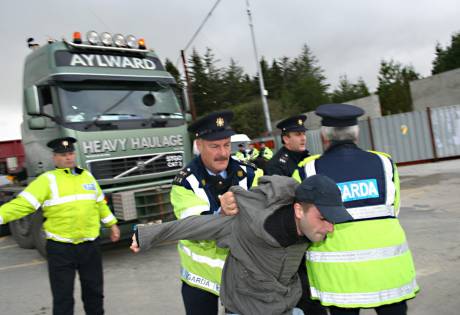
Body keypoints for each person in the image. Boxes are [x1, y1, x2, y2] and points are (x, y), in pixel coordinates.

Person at [131, 174, 352, 315]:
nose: (331, 228)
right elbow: (194, 226)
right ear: (298, 210)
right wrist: (147, 235)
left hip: (284, 307)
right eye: (324, 218)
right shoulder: (246, 224)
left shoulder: (307, 230)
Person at [293, 104, 419, 315]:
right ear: (356, 134)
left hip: (339, 279)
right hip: (389, 273)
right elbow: (393, 209)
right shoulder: (385, 163)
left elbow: (303, 221)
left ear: (325, 136)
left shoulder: (308, 170)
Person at [0, 137, 120, 315]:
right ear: (54, 157)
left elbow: (99, 203)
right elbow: (23, 204)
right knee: (63, 297)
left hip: (90, 245)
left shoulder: (86, 176)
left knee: (94, 293)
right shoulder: (46, 180)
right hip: (61, 248)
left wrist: (112, 224)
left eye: (71, 153)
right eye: (63, 155)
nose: (69, 158)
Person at [166, 110, 263, 315]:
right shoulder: (185, 183)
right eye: (214, 146)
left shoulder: (250, 173)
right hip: (200, 279)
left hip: (241, 275)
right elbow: (194, 227)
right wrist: (221, 214)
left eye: (227, 145)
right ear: (199, 145)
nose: (223, 153)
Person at [265, 115, 324, 314]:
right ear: (285, 138)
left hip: (313, 232)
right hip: (294, 238)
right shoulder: (277, 165)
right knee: (302, 292)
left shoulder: (310, 158)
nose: (303, 138)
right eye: (297, 134)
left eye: (303, 134)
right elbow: (278, 206)